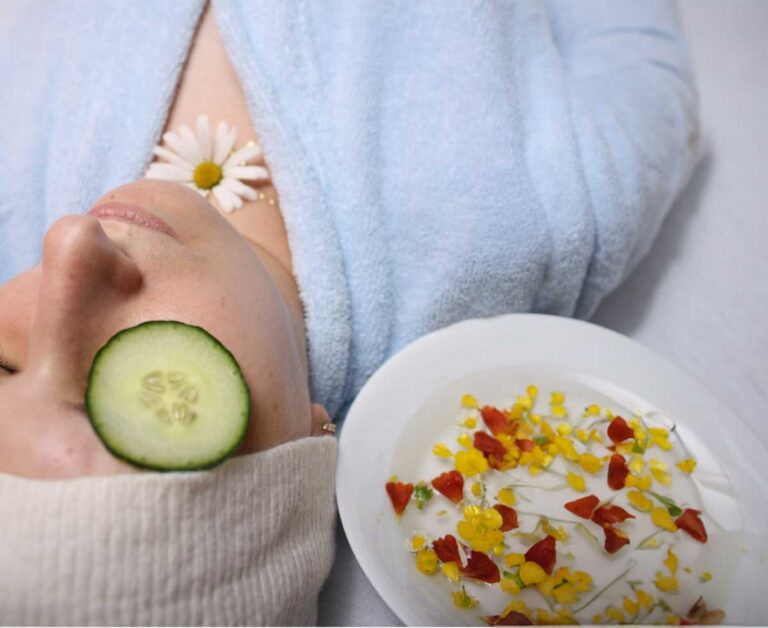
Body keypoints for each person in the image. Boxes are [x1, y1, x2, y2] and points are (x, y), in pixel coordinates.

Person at [0, 0, 698, 625]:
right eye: (135, 397)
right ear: (307, 438)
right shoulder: (543, 224)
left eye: (3, 365)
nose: (69, 247)